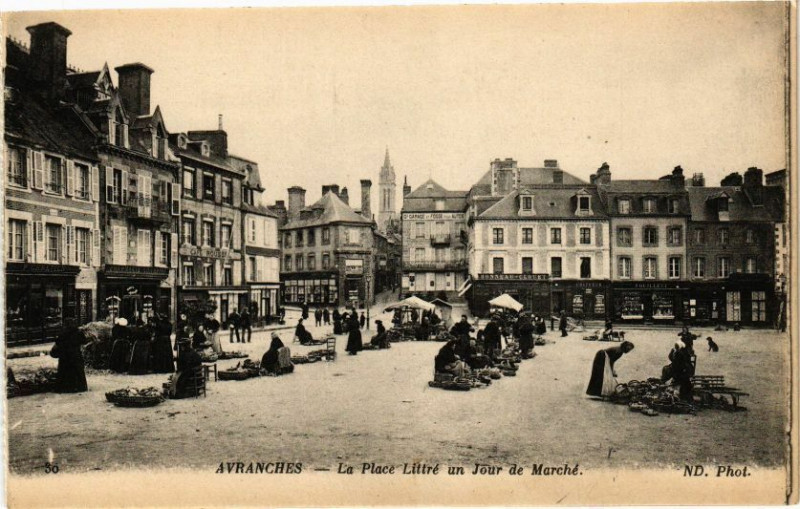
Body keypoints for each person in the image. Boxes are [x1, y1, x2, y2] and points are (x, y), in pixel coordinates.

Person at [51, 319, 88, 393]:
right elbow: (84, 341)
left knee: (64, 371)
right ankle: (80, 387)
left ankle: (65, 388)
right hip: (76, 355)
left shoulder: (62, 333)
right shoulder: (79, 332)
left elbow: (56, 344)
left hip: (65, 356)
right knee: (78, 371)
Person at [667, 336, 696, 401]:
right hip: (684, 372)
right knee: (686, 385)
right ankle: (687, 398)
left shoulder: (679, 353)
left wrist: (672, 351)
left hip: (681, 372)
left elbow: (674, 360)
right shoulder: (683, 352)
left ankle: (684, 398)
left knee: (684, 385)